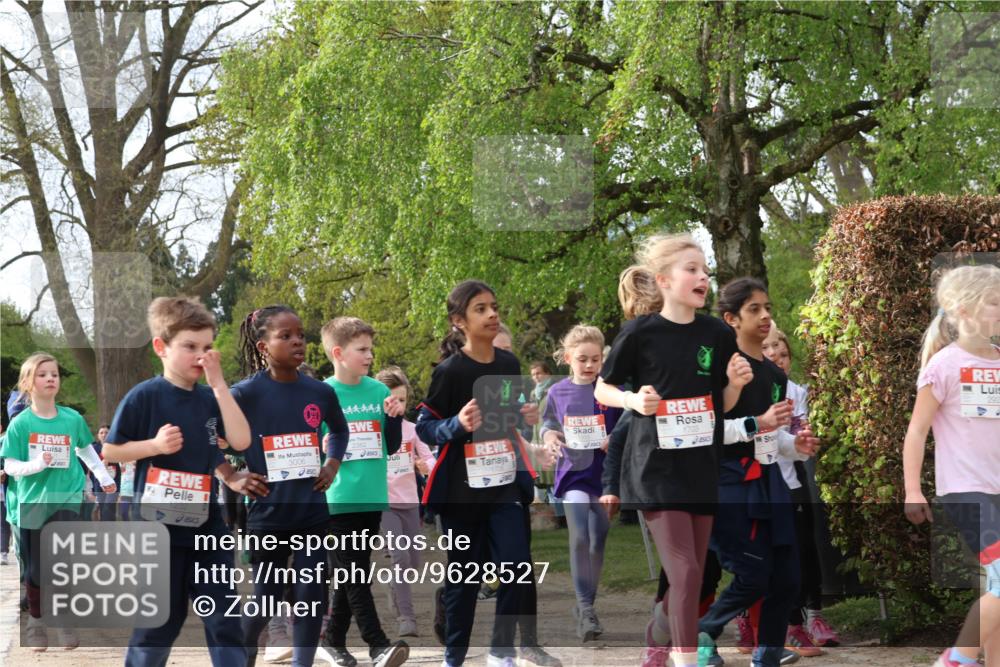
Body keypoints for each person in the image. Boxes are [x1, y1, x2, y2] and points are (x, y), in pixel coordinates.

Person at [594, 234, 753, 667]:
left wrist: (735, 384)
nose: (703, 277)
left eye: (706, 271)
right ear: (664, 280)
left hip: (701, 469)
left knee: (694, 578)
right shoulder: (640, 332)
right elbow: (602, 387)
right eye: (692, 269)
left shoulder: (718, 333)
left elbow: (721, 406)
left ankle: (659, 630)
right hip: (655, 471)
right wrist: (631, 400)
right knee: (684, 573)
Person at [103, 296, 252, 666]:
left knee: (224, 617)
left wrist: (220, 387)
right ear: (161, 347)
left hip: (208, 525)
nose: (200, 356)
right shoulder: (145, 396)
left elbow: (240, 441)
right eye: (189, 346)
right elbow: (110, 451)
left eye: (206, 347)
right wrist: (153, 445)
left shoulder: (210, 397)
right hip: (158, 528)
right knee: (160, 624)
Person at [416, 280, 541, 667]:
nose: (492, 314)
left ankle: (501, 651)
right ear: (459, 322)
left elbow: (512, 418)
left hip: (504, 484)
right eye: (481, 309)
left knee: (517, 568)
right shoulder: (451, 372)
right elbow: (425, 426)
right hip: (462, 491)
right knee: (465, 578)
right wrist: (456, 424)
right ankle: (453, 655)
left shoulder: (508, 364)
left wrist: (526, 417)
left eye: (494, 306)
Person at [696, 278, 820, 667]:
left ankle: (766, 656)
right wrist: (758, 422)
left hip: (771, 483)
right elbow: (707, 432)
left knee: (787, 578)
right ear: (731, 318)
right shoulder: (718, 368)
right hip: (727, 484)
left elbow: (773, 436)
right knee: (753, 573)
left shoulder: (776, 377)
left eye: (767, 307)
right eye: (754, 309)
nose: (766, 316)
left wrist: (795, 448)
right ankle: (702, 631)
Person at [228, 305, 352, 667]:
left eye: (300, 334)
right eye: (286, 336)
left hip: (312, 512)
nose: (298, 341)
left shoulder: (319, 392)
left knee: (313, 595)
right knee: (266, 599)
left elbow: (340, 431)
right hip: (268, 516)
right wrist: (230, 475)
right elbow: (205, 432)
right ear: (264, 345)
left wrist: (332, 463)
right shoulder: (245, 394)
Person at [902, 264, 1000, 667]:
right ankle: (958, 656)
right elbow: (916, 432)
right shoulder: (943, 366)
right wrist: (912, 490)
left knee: (997, 587)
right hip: (966, 491)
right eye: (994, 302)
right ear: (963, 310)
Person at [1, 353, 115, 651]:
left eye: (54, 374)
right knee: (36, 568)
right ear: (28, 383)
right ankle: (36, 621)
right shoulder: (20, 424)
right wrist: (37, 464)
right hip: (32, 502)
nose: (51, 378)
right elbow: (10, 466)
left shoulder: (72, 419)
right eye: (42, 374)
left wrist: (102, 476)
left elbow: (86, 451)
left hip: (67, 497)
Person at [320, 316, 410, 667]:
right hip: (337, 499)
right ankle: (378, 645)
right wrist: (323, 448)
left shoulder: (378, 391)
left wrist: (394, 419)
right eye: (362, 349)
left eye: (371, 348)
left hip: (372, 496)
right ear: (339, 353)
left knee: (349, 573)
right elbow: (311, 447)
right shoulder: (323, 394)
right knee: (356, 573)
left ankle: (331, 641)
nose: (370, 355)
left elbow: (391, 445)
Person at [540, 325, 622, 641]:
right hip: (573, 473)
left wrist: (614, 437)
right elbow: (548, 421)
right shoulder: (557, 391)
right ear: (568, 358)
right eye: (582, 359)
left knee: (598, 539)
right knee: (579, 537)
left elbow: (628, 420)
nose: (589, 366)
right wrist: (549, 435)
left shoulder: (609, 389)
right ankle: (586, 609)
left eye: (595, 360)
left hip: (603, 477)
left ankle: (587, 601)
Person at [761, 326, 838, 652]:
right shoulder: (748, 388)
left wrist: (800, 436)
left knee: (806, 547)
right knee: (773, 554)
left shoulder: (795, 392)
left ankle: (814, 616)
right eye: (770, 353)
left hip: (793, 479)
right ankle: (777, 621)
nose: (778, 360)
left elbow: (797, 435)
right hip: (762, 481)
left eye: (783, 355)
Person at [376, 366, 437, 638]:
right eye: (391, 400)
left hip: (410, 502)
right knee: (400, 557)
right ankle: (406, 617)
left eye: (401, 400)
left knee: (413, 563)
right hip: (383, 502)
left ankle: (393, 586)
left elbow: (431, 459)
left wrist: (427, 466)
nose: (397, 405)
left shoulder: (413, 430)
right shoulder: (374, 430)